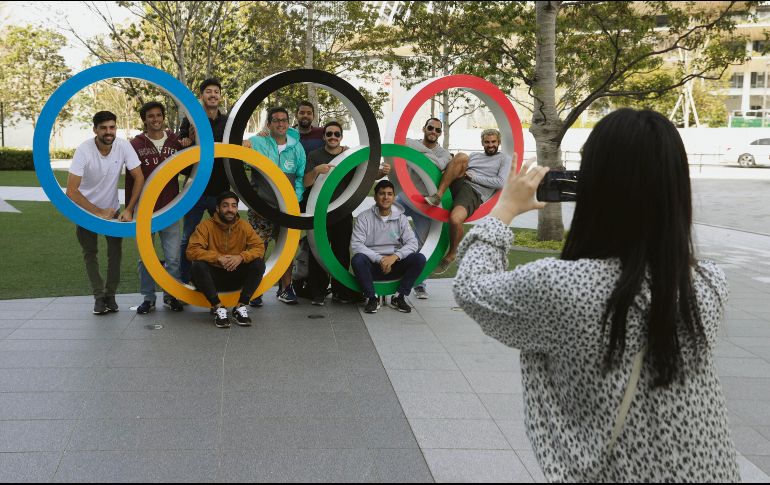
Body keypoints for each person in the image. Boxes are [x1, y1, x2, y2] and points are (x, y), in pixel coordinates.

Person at [453, 109, 739, 482]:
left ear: (595, 186)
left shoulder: (562, 287)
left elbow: (472, 288)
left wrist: (505, 208)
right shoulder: (708, 284)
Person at [65, 111, 144, 315]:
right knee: (90, 253)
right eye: (103, 128)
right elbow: (71, 191)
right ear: (95, 130)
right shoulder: (84, 150)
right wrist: (99, 212)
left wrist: (129, 209)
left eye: (112, 127)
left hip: (113, 209)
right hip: (85, 210)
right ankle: (99, 297)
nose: (108, 132)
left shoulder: (123, 145)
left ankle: (111, 295)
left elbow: (139, 177)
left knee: (115, 254)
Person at [303, 121, 390, 306]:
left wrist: (381, 172)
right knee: (316, 250)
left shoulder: (349, 155)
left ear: (341, 136)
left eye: (336, 134)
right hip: (319, 212)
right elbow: (306, 182)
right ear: (324, 136)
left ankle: (339, 291)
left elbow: (365, 175)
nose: (333, 137)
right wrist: (317, 171)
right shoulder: (315, 155)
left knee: (341, 251)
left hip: (342, 211)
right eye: (329, 134)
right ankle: (317, 292)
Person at [424, 128, 509, 275]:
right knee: (461, 156)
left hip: (474, 191)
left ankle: (452, 254)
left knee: (455, 219)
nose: (490, 145)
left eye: (493, 142)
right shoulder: (475, 155)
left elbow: (501, 182)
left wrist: (473, 177)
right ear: (482, 142)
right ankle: (438, 195)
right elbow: (459, 167)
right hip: (459, 182)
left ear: (499, 142)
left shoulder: (504, 159)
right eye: (487, 142)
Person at [128, 101, 184, 314]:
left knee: (173, 257)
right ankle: (148, 298)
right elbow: (132, 179)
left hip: (171, 207)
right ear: (144, 120)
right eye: (150, 116)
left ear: (163, 117)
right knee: (146, 258)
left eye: (158, 115)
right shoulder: (136, 144)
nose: (155, 119)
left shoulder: (175, 142)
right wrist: (131, 208)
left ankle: (172, 295)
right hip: (145, 210)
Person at [246, 107, 306, 305]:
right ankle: (255, 290)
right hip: (262, 207)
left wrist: (293, 200)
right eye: (276, 120)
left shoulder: (296, 147)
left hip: (286, 209)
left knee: (285, 250)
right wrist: (255, 136)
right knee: (258, 249)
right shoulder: (259, 142)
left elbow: (299, 177)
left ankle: (285, 288)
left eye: (284, 120)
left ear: (288, 123)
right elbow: (237, 148)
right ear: (269, 124)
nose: (280, 124)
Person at [186, 191, 266, 328]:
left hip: (236, 277)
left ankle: (241, 307)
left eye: (234, 206)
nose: (230, 209)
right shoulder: (205, 226)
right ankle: (218, 307)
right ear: (217, 208)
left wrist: (241, 257)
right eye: (225, 206)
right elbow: (191, 251)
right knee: (198, 265)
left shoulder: (244, 226)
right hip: (213, 279)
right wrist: (218, 258)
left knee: (258, 263)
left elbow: (259, 247)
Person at [178, 78, 230, 284]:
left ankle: (220, 281)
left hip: (220, 190)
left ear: (220, 96)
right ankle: (184, 281)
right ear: (202, 96)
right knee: (188, 238)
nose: (213, 95)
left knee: (223, 238)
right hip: (195, 188)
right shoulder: (190, 120)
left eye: (216, 91)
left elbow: (234, 145)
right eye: (208, 91)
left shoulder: (227, 123)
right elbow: (182, 148)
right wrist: (187, 142)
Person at [396, 117, 455, 299]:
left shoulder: (444, 153)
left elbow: (438, 164)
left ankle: (419, 283)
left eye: (437, 130)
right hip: (406, 197)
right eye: (431, 128)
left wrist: (418, 153)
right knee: (387, 224)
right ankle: (391, 271)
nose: (433, 132)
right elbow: (403, 143)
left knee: (423, 244)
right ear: (424, 128)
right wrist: (425, 153)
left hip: (426, 204)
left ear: (440, 133)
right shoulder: (410, 142)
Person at [351, 180, 426, 314]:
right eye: (382, 194)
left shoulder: (401, 218)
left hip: (395, 264)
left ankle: (399, 297)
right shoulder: (364, 218)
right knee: (358, 259)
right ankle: (372, 298)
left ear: (393, 197)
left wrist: (395, 257)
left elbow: (412, 243)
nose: (386, 197)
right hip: (373, 265)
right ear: (375, 197)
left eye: (389, 194)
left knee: (419, 258)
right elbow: (356, 245)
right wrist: (380, 259)